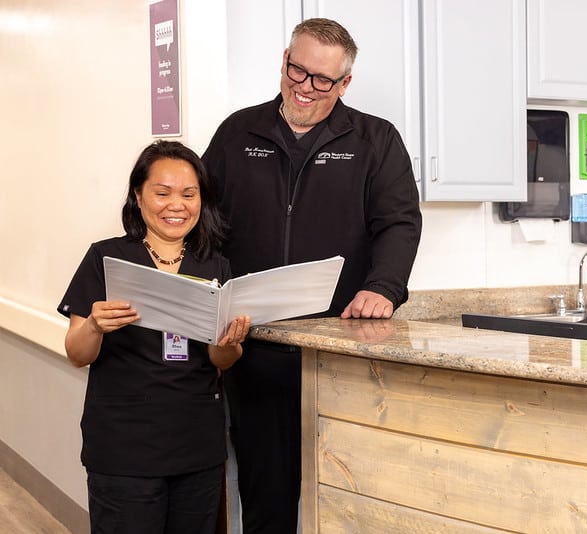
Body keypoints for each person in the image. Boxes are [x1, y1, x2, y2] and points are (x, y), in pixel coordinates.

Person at [201, 17, 423, 533]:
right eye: (296, 70)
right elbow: (204, 222)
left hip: (338, 346)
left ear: (345, 83)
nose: (305, 87)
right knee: (264, 486)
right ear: (284, 60)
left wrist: (382, 287)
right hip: (254, 345)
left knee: (347, 486)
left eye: (322, 79)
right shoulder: (239, 133)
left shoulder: (374, 140)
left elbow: (399, 222)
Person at [58, 140, 252, 533]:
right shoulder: (107, 259)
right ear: (138, 195)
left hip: (196, 445)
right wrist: (95, 325)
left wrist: (229, 341)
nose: (176, 205)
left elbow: (222, 361)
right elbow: (77, 354)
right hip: (125, 449)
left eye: (188, 194)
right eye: (162, 193)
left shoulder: (215, 265)